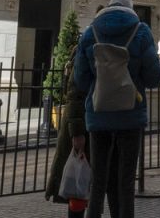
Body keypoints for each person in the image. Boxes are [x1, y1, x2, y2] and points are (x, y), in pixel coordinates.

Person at [71, 0, 160, 218]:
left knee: (98, 179)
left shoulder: (90, 32)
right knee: (125, 181)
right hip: (131, 114)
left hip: (98, 113)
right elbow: (154, 77)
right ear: (130, 8)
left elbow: (80, 80)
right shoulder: (141, 32)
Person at [46, 56, 91, 217]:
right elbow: (74, 93)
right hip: (84, 127)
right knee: (78, 186)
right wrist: (77, 131)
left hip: (91, 125)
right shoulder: (86, 47)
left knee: (86, 186)